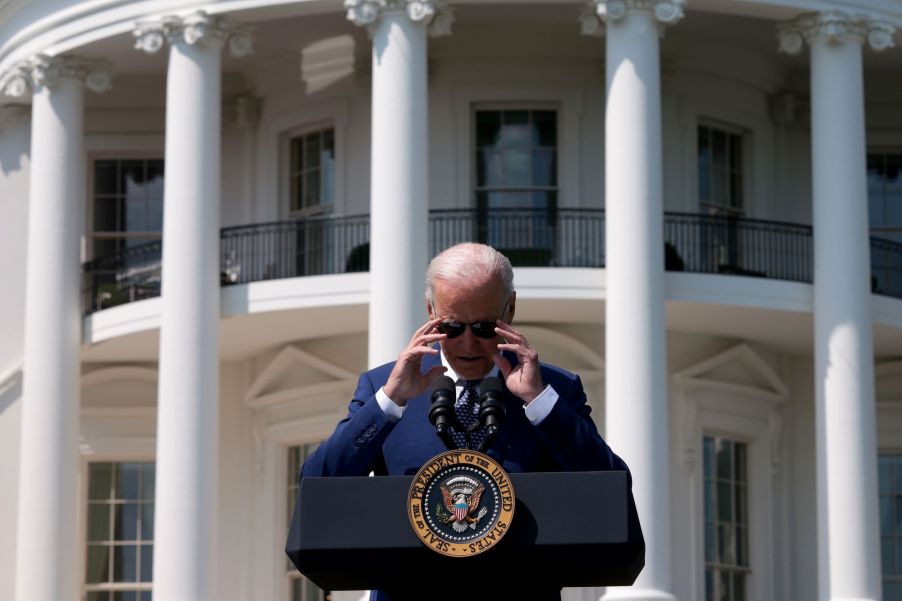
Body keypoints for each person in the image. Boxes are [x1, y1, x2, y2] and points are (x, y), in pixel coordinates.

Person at [296, 243, 632, 600]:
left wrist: (540, 403)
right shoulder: (384, 386)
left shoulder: (554, 389)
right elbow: (317, 484)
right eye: (452, 326)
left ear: (511, 308)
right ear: (430, 311)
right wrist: (389, 402)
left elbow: (612, 486)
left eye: (485, 327)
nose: (468, 343)